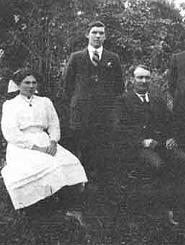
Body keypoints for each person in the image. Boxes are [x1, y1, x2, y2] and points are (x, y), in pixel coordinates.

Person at [1, 68, 87, 220]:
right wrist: (35, 148)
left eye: (34, 82)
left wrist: (53, 141)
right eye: (27, 82)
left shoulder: (45, 102)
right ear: (19, 85)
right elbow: (10, 132)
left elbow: (54, 124)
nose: (31, 86)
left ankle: (69, 206)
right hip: (21, 146)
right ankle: (40, 209)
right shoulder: (10, 104)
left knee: (70, 162)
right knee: (45, 166)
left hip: (45, 140)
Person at [63, 20, 123, 178]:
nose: (97, 36)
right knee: (83, 150)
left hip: (104, 115)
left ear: (105, 36)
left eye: (101, 33)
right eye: (94, 32)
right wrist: (78, 104)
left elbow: (119, 87)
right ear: (87, 34)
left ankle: (101, 189)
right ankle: (81, 185)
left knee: (103, 151)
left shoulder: (113, 58)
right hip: (82, 115)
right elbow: (68, 86)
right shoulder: (76, 57)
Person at [113, 65, 185, 173]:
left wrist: (171, 137)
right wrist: (141, 142)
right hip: (136, 147)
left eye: (147, 78)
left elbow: (171, 122)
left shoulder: (158, 100)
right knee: (158, 165)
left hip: (161, 144)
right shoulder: (123, 101)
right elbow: (119, 129)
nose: (144, 81)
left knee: (183, 159)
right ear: (131, 79)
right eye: (140, 77)